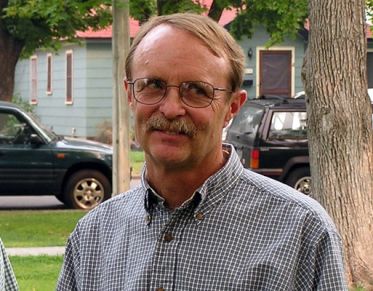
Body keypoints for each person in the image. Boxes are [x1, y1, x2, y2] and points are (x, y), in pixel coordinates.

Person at [57, 13, 347, 290]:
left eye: (197, 90)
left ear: (232, 107)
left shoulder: (302, 232)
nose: (170, 109)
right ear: (130, 94)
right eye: (153, 85)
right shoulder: (92, 237)